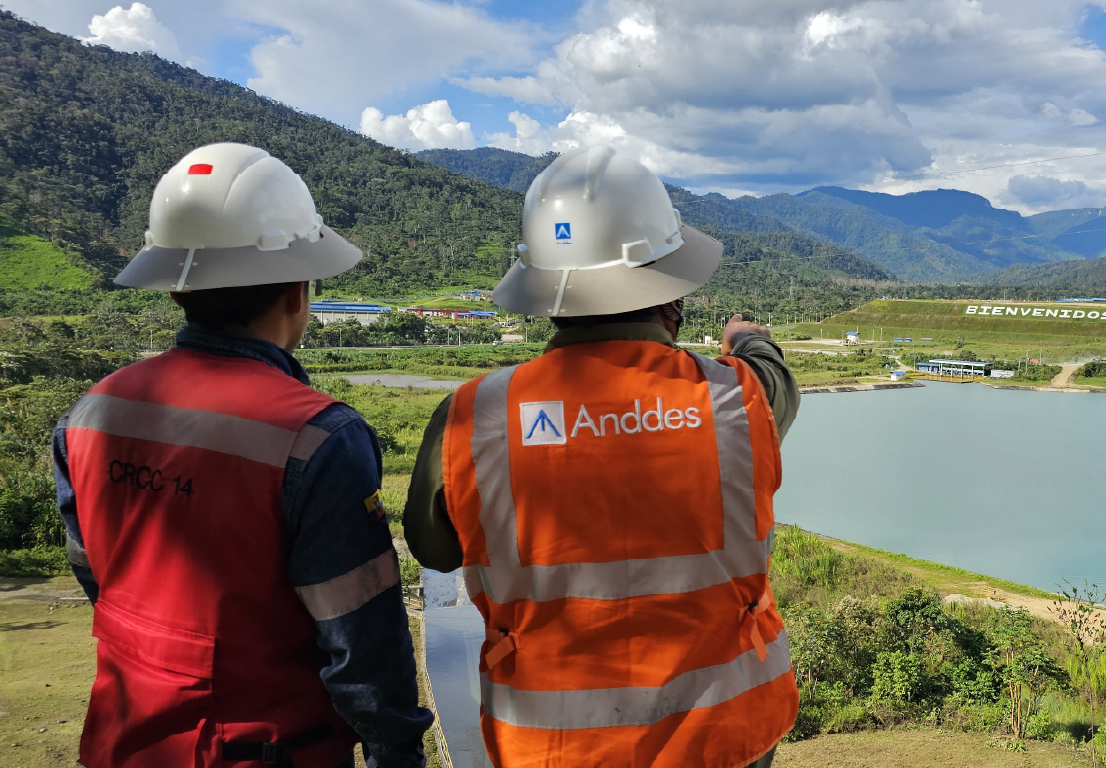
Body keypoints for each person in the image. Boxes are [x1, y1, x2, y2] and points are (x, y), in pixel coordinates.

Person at [403, 145, 799, 767]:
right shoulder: (737, 397)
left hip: (552, 743)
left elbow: (434, 549)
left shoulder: (472, 417)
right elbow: (773, 377)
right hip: (722, 733)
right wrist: (747, 339)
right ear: (670, 294)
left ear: (549, 298)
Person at [54, 143, 434, 768]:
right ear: (297, 290)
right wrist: (397, 752)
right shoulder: (318, 435)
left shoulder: (90, 412)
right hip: (268, 747)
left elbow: (96, 571)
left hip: (123, 737)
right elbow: (361, 643)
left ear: (177, 291)